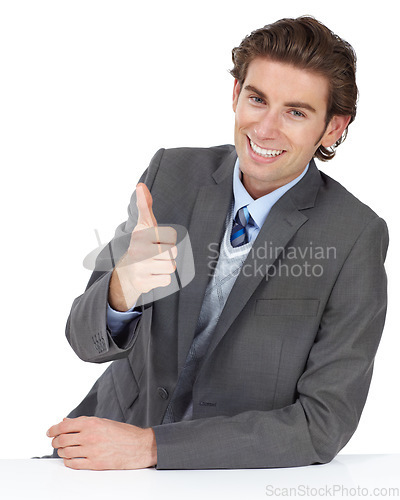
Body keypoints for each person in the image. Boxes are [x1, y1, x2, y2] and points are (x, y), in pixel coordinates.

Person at [47, 16, 389, 470]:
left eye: (296, 112)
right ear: (235, 95)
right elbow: (83, 341)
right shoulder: (170, 175)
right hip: (101, 453)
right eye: (257, 99)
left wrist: (152, 448)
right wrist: (121, 289)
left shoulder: (354, 236)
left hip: (226, 475)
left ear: (332, 128)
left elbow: (322, 424)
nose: (265, 129)